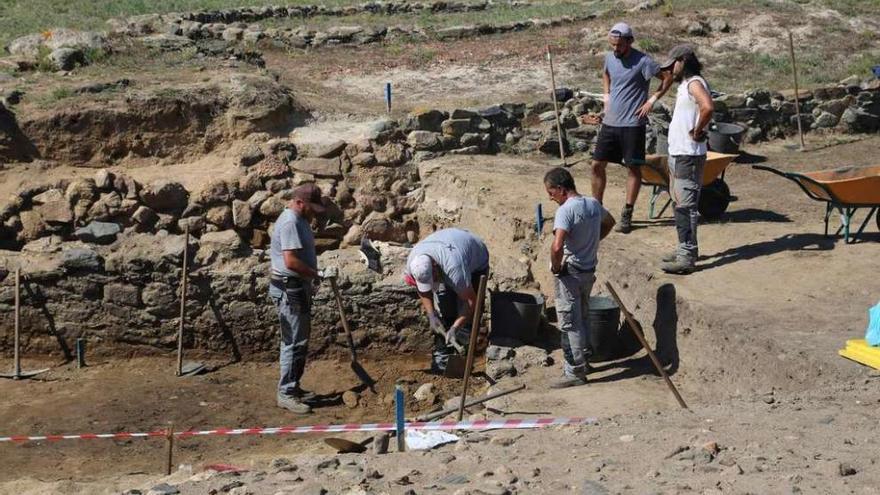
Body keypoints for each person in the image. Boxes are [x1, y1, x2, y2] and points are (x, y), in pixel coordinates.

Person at [584, 22, 672, 234]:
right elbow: (606, 74)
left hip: (633, 124)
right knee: (597, 165)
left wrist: (651, 101)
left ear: (630, 42)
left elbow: (668, 78)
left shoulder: (643, 61)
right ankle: (597, 210)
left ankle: (627, 213)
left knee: (633, 168)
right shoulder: (609, 58)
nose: (616, 49)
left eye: (620, 45)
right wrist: (606, 97)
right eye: (613, 45)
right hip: (610, 122)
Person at [544, 167, 616, 388]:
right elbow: (610, 221)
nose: (550, 196)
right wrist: (594, 241)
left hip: (571, 272)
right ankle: (584, 361)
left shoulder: (565, 211)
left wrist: (556, 267)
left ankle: (574, 372)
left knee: (569, 322)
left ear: (561, 189)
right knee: (583, 316)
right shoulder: (592, 204)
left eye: (551, 191)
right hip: (588, 270)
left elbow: (557, 247)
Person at [268, 183, 335, 414]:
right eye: (311, 208)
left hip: (297, 287)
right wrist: (318, 274)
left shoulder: (300, 220)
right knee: (293, 342)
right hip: (289, 290)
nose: (314, 213)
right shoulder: (290, 222)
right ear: (299, 202)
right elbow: (291, 262)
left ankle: (293, 387)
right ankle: (285, 393)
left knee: (299, 341)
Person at [658, 44, 714, 274]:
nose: (671, 70)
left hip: (688, 156)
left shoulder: (694, 83)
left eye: (673, 65)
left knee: (685, 207)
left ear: (683, 61)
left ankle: (687, 256)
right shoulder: (685, 85)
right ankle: (685, 248)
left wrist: (698, 130)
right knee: (680, 204)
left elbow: (708, 107)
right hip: (680, 153)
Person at [403, 228, 489, 374]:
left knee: (468, 318)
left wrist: (456, 327)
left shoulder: (454, 269)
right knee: (446, 309)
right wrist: (431, 314)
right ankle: (443, 357)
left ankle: (464, 358)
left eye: (433, 278)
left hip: (475, 258)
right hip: (448, 249)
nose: (433, 282)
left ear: (435, 267)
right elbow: (423, 290)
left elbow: (471, 302)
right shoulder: (414, 262)